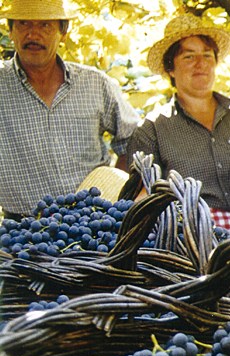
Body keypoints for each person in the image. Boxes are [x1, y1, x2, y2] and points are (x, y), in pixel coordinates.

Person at [0, 0, 139, 219]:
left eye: (45, 25)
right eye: (23, 23)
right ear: (11, 31)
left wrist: (116, 187)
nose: (33, 34)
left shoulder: (95, 83)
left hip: (94, 224)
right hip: (23, 232)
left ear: (63, 32)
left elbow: (133, 139)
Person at [126, 14, 230, 236]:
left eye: (207, 55)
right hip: (188, 240)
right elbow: (143, 199)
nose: (201, 64)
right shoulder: (152, 129)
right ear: (170, 68)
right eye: (189, 57)